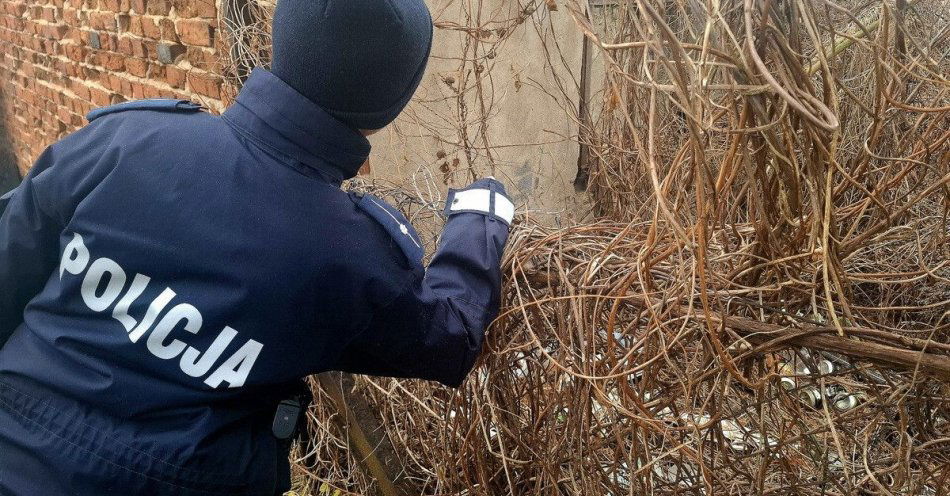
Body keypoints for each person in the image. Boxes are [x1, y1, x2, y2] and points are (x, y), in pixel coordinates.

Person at [0, 0, 513, 494]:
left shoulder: (124, 139)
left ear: (281, 39)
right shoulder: (349, 254)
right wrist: (479, 215)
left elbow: (11, 258)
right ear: (390, 104)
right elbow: (449, 337)